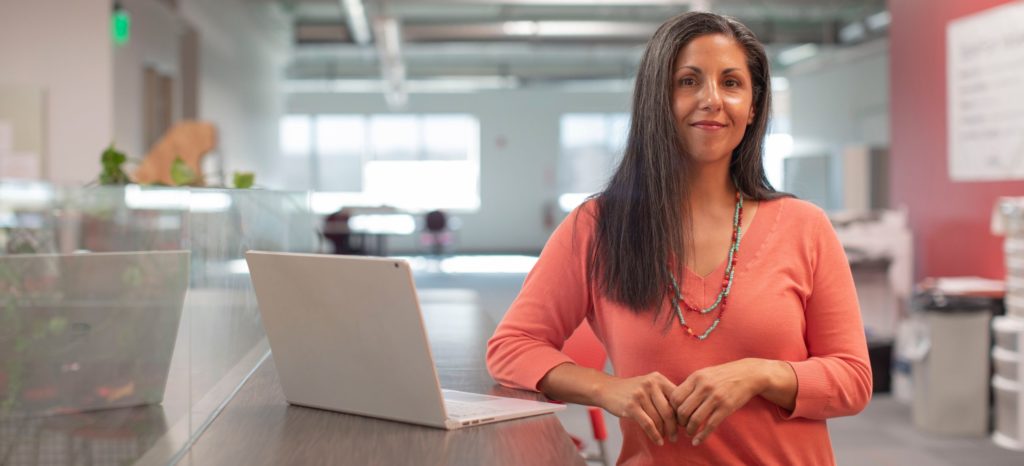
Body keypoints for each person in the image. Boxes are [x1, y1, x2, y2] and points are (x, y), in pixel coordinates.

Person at [486, 11, 871, 466]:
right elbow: (511, 348)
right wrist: (606, 388)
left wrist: (761, 374)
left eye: (731, 83)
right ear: (657, 99)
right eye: (688, 81)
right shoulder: (597, 226)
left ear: (752, 106)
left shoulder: (805, 226)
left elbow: (853, 379)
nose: (711, 99)